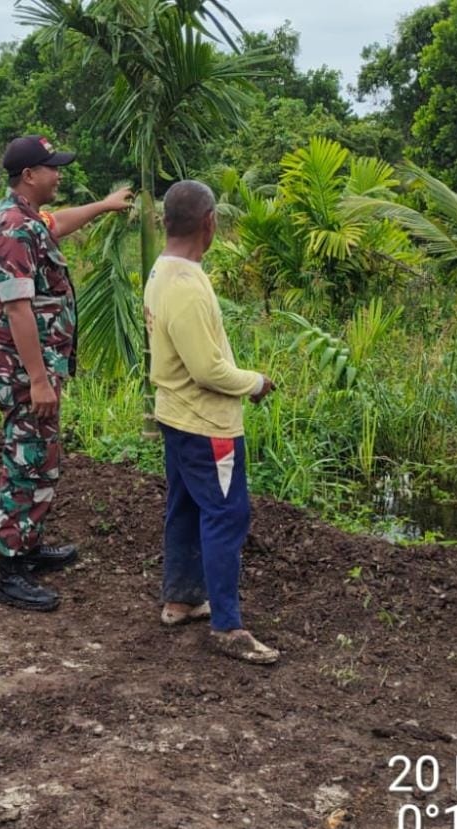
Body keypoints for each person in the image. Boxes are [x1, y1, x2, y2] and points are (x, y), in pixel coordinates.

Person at [0, 135, 133, 611]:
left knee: (41, 456)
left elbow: (59, 223)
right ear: (29, 175)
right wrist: (39, 378)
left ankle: (28, 545)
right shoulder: (10, 228)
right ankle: (9, 571)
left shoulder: (27, 220)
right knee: (27, 461)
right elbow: (19, 309)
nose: (59, 174)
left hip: (37, 368)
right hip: (25, 372)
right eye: (52, 168)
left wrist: (106, 206)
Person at [144, 180, 279, 665]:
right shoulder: (187, 289)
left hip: (176, 415)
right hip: (207, 425)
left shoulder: (164, 272)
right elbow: (208, 370)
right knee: (226, 515)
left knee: (185, 507)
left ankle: (180, 599)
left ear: (166, 223)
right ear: (209, 223)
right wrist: (256, 382)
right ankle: (227, 625)